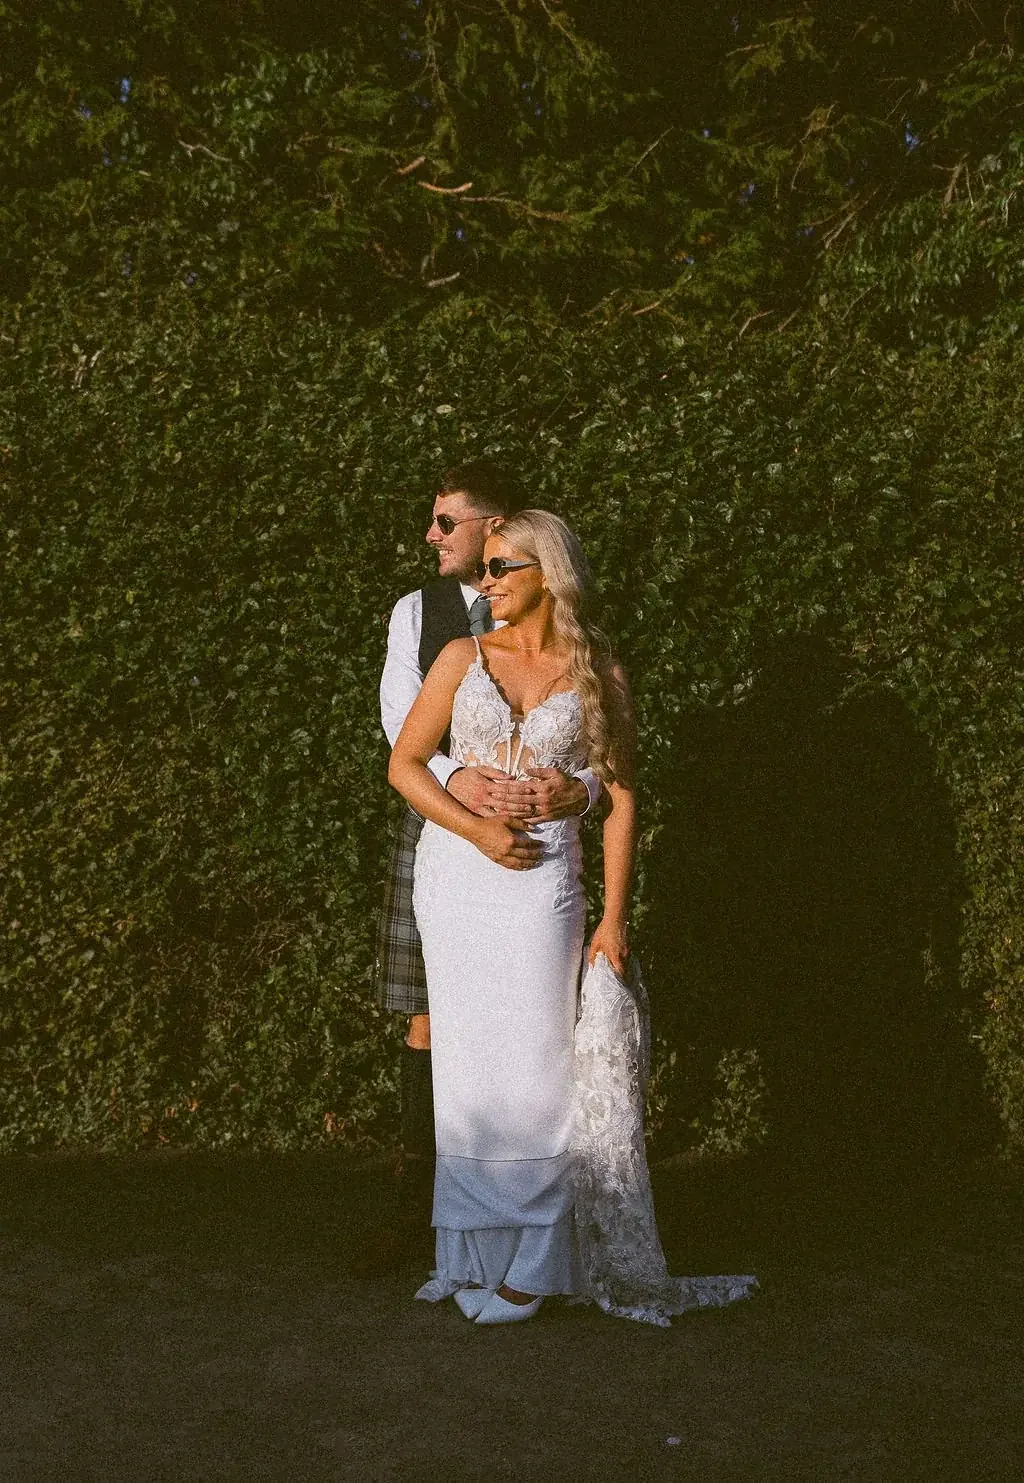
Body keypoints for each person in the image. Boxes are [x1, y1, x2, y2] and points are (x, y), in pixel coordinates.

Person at [388, 509, 633, 1323]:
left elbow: (623, 796)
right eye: (484, 568)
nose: (484, 582)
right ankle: (471, 1253)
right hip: (458, 883)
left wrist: (613, 921)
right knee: (470, 1073)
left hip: (544, 888)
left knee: (537, 1068)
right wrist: (479, 828)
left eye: (501, 568)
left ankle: (538, 1257)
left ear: (547, 574)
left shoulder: (598, 666)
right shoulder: (461, 657)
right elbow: (405, 765)